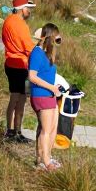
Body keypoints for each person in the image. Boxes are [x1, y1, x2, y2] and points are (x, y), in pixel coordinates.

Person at [29, 23, 65, 172]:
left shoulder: (47, 53)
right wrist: (51, 88)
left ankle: (46, 156)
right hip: (41, 95)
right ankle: (45, 161)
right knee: (46, 129)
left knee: (53, 128)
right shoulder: (37, 53)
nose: (58, 42)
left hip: (50, 94)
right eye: (56, 38)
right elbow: (32, 76)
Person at [1, 0, 36, 143]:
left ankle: (13, 131)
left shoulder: (8, 21)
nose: (29, 11)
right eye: (28, 8)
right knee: (19, 99)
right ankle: (13, 132)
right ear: (22, 9)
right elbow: (28, 47)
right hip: (20, 66)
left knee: (18, 99)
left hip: (11, 63)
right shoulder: (21, 25)